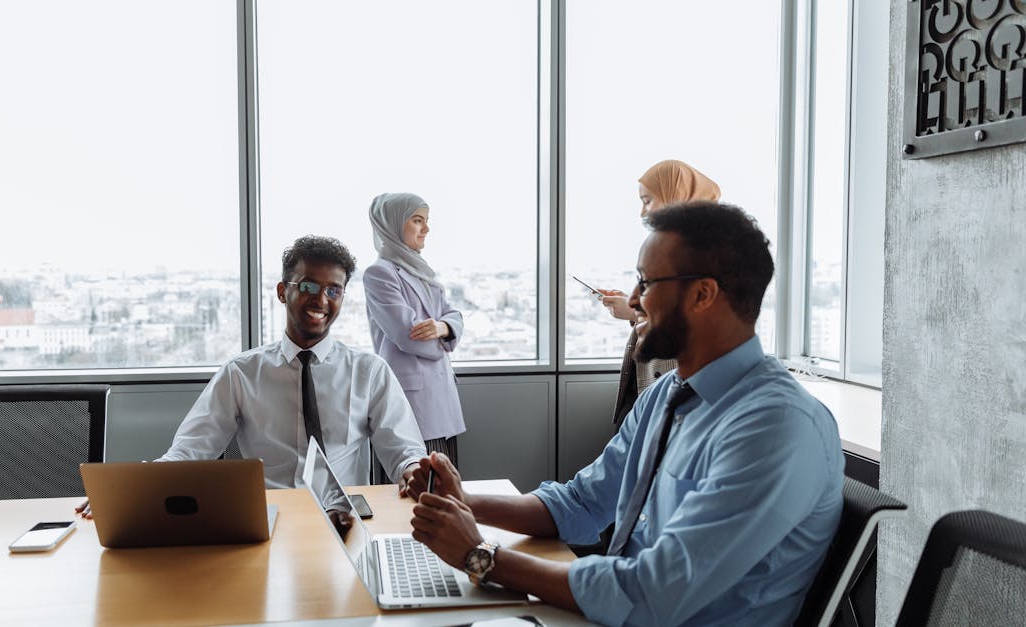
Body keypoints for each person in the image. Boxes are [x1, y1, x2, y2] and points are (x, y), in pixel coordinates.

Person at [407, 201, 843, 626]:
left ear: (703, 294)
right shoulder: (665, 398)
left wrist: (480, 557)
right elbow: (581, 503)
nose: (633, 300)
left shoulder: (774, 428)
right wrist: (461, 503)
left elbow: (650, 595)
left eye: (646, 283)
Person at [78, 236, 427, 518]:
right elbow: (191, 449)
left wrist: (414, 469)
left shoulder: (369, 371)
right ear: (282, 292)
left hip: (343, 519)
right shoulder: (242, 373)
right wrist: (137, 485)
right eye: (308, 286)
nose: (321, 299)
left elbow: (404, 451)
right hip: (269, 519)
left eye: (333, 290)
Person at [598, 159, 721, 426]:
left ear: (673, 196)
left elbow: (690, 321)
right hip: (654, 379)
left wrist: (632, 311)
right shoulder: (674, 247)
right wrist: (637, 308)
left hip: (674, 383)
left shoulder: (700, 252)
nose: (642, 212)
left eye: (647, 201)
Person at [363, 193, 466, 464]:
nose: (426, 229)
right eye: (418, 220)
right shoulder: (379, 273)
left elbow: (454, 315)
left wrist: (443, 327)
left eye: (427, 221)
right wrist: (444, 338)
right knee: (417, 485)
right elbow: (409, 336)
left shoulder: (421, 271)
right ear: (394, 224)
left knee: (444, 486)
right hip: (413, 404)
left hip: (440, 400)